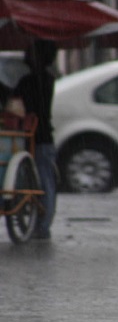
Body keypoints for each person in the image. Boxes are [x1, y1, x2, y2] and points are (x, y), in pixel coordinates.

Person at [12, 39, 59, 240]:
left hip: (35, 136)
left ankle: (42, 224)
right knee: (44, 179)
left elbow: (16, 103)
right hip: (42, 136)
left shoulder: (30, 82)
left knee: (42, 179)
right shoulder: (47, 79)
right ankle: (42, 222)